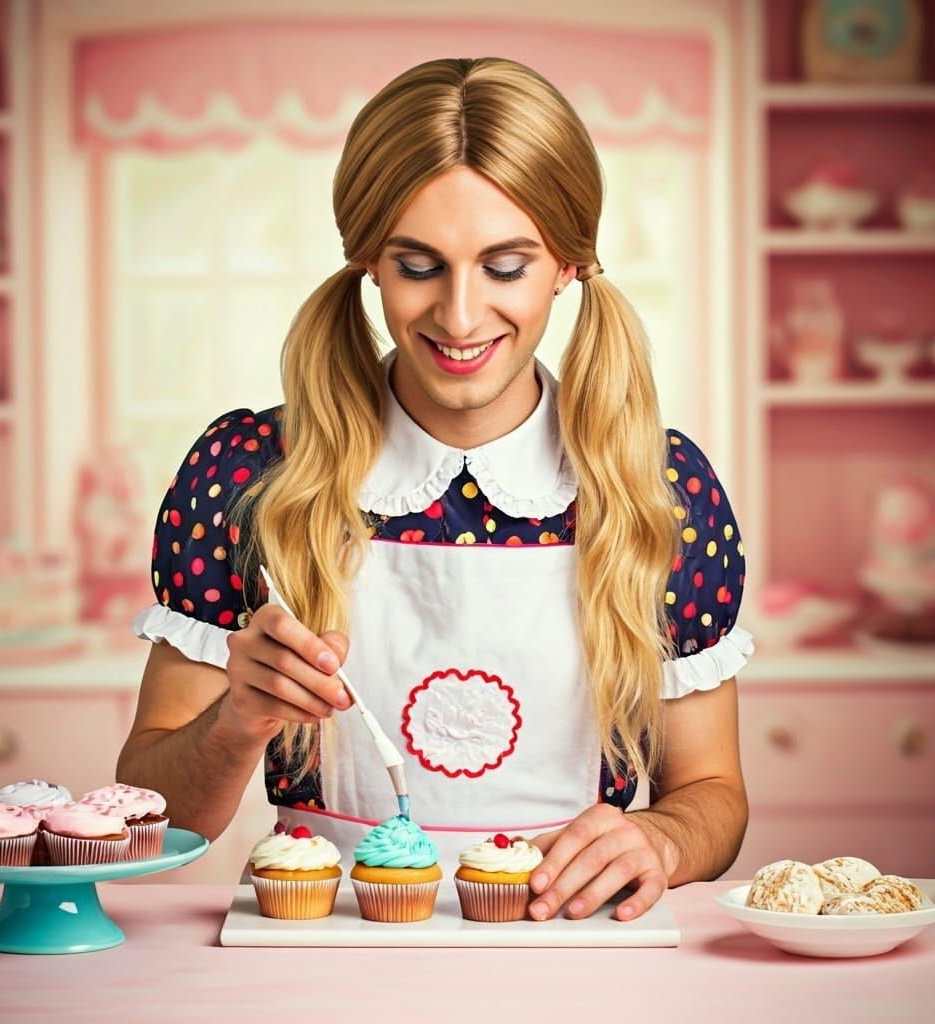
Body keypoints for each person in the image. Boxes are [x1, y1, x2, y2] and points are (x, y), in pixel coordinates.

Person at [121, 56, 753, 923]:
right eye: (419, 265)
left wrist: (668, 838)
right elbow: (153, 819)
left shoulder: (659, 490)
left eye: (505, 267)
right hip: (317, 958)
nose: (459, 318)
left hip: (574, 957)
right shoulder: (247, 475)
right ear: (370, 263)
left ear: (567, 265)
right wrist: (235, 720)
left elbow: (712, 790)